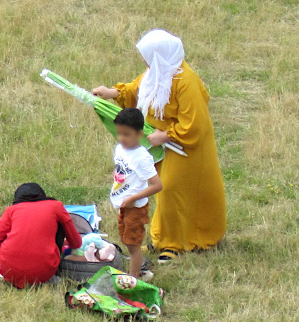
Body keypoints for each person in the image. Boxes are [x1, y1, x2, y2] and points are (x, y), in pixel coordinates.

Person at [92, 30, 226, 262]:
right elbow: (137, 88)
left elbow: (195, 124)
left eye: (147, 56)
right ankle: (162, 238)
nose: (144, 61)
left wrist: (165, 135)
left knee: (171, 188)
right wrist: (112, 93)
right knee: (165, 193)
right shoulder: (157, 71)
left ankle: (177, 244)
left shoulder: (186, 82)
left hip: (187, 148)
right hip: (165, 144)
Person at [0, 183, 84, 288]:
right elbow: (76, 242)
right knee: (59, 223)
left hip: (9, 272)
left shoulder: (12, 210)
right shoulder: (56, 206)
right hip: (44, 272)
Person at [110, 108, 163, 280]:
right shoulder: (120, 149)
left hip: (136, 208)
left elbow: (157, 185)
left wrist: (134, 198)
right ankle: (140, 267)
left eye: (127, 134)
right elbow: (120, 168)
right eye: (119, 133)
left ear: (139, 133)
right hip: (123, 205)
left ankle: (132, 279)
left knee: (133, 245)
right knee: (126, 240)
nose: (121, 138)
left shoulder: (143, 158)